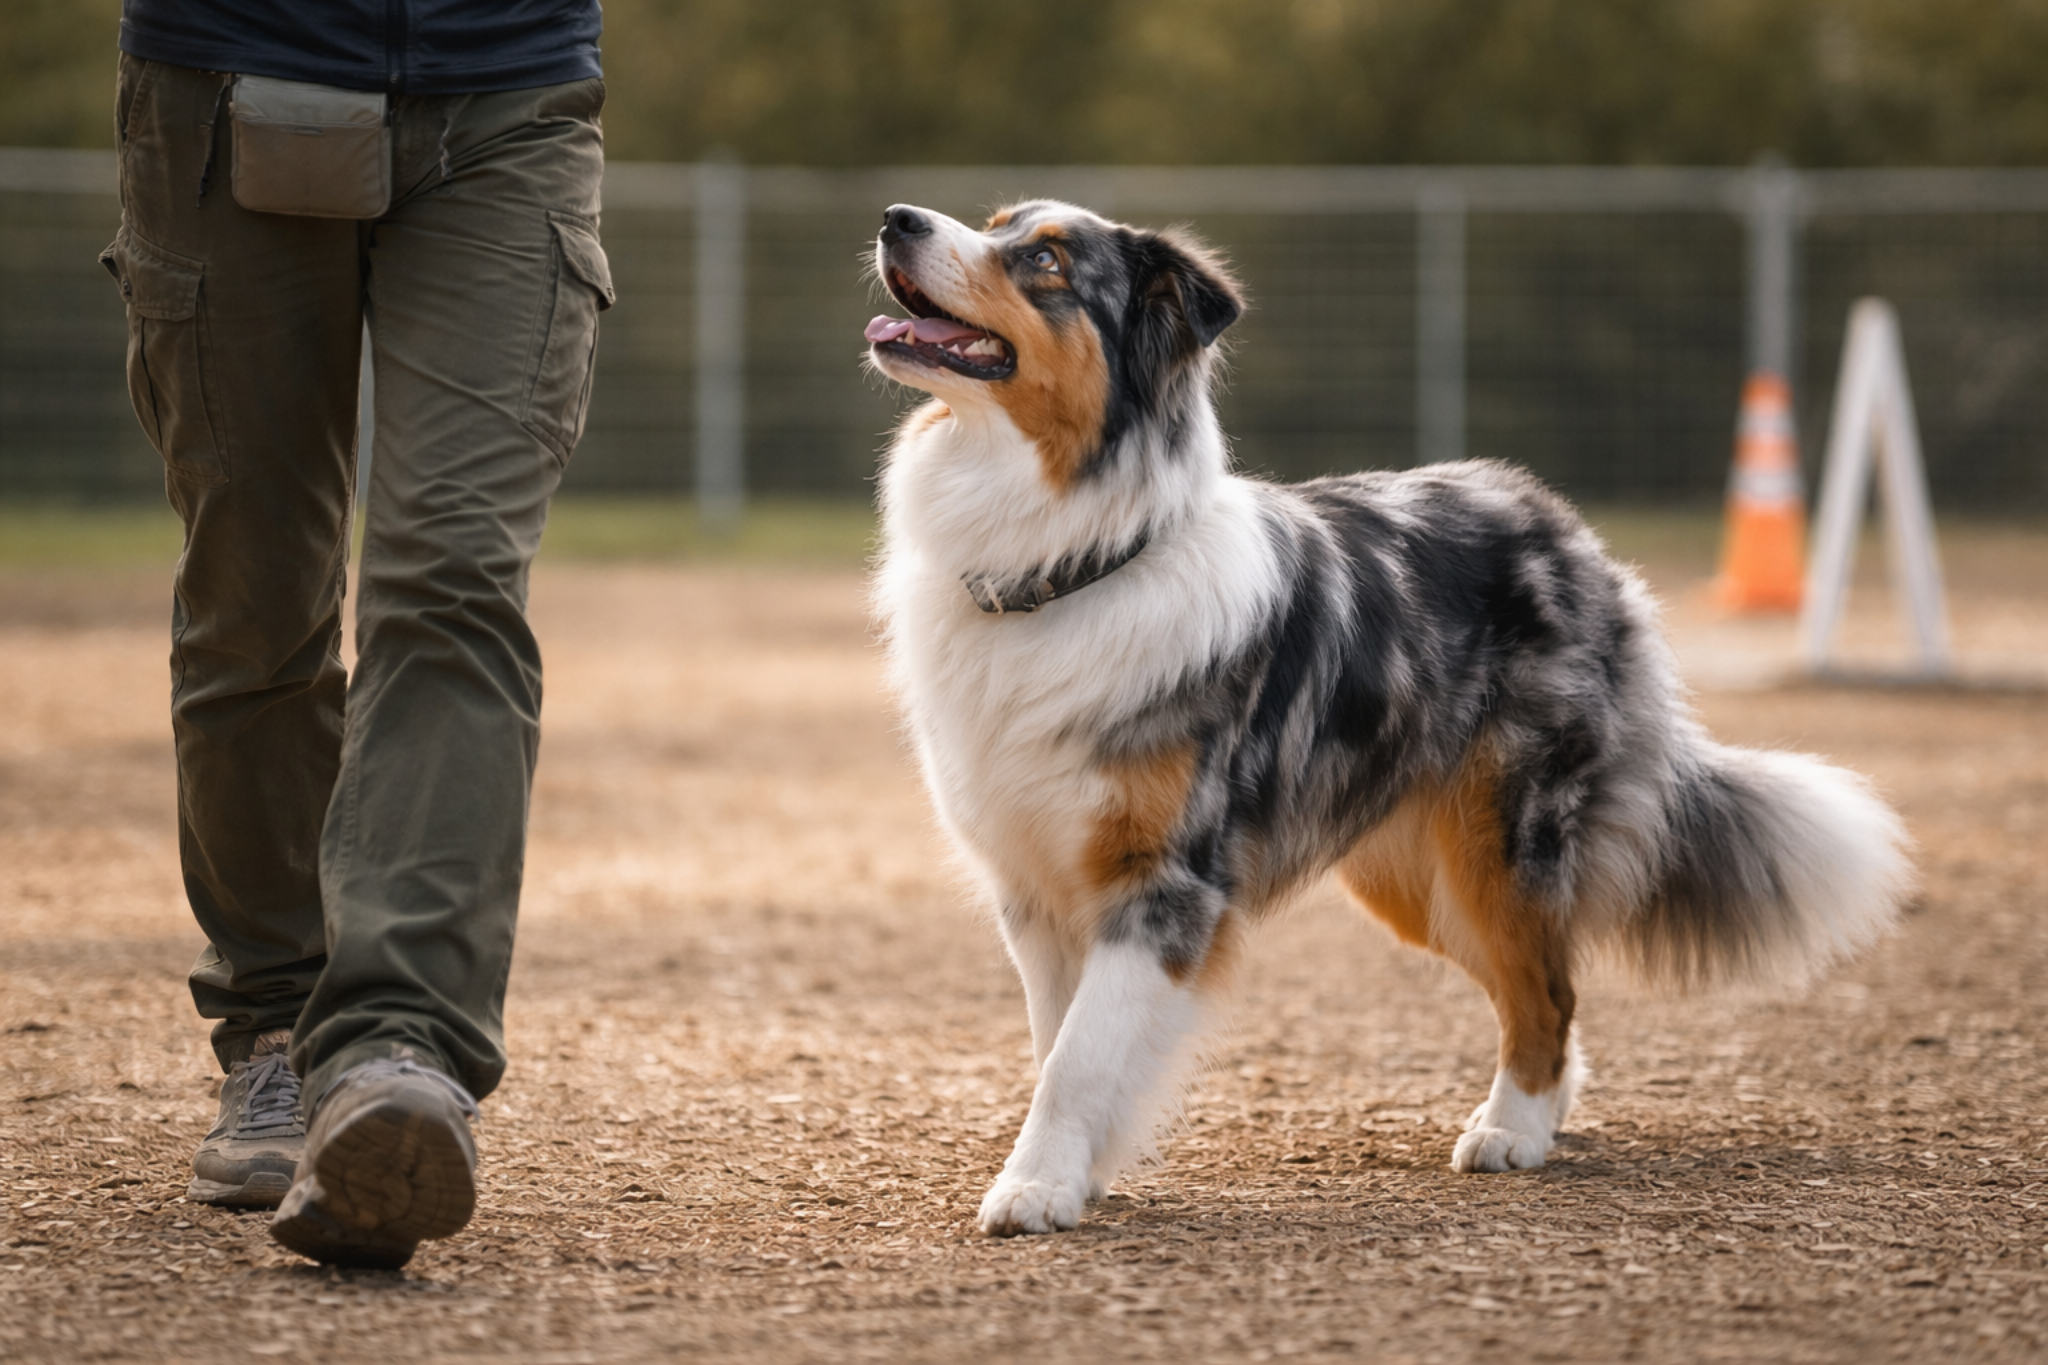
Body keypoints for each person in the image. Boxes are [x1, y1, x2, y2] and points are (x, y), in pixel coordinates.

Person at [104, 1, 611, 1270]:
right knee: (257, 596)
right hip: (226, 78)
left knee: (451, 579)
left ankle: (398, 1049)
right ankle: (276, 1031)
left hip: (509, 88)